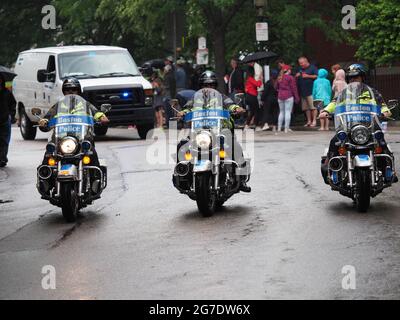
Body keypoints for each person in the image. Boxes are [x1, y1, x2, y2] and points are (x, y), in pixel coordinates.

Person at [319, 64, 397, 182]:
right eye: (351, 78)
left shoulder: (372, 92)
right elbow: (334, 103)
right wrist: (325, 111)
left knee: (381, 142)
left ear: (362, 78)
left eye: (356, 77)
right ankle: (330, 170)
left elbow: (382, 105)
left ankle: (388, 171)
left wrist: (386, 112)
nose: (353, 80)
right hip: (348, 126)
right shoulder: (344, 93)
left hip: (369, 126)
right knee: (335, 142)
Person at [177, 70, 250, 192]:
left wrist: (237, 109)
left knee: (234, 146)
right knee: (182, 145)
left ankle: (241, 178)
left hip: (221, 131)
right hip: (199, 131)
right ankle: (182, 175)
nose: (208, 88)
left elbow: (230, 105)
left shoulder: (222, 97)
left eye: (211, 85)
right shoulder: (195, 99)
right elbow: (187, 109)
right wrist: (181, 113)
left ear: (215, 86)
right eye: (205, 85)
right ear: (201, 86)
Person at [39, 78, 109, 167]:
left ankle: (96, 177)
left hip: (82, 137)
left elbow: (96, 113)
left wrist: (102, 117)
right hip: (60, 138)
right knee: (49, 153)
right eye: (67, 90)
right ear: (64, 92)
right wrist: (44, 122)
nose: (71, 92)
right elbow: (47, 118)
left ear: (78, 91)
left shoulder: (85, 104)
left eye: (74, 89)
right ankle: (44, 177)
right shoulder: (58, 105)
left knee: (91, 152)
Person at [296, 56, 318, 127]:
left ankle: (314, 121)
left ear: (306, 61)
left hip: (311, 91)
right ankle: (309, 121)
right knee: (306, 108)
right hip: (303, 92)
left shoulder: (313, 68)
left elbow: (317, 76)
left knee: (313, 107)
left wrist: (308, 76)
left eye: (302, 63)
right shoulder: (300, 69)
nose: (301, 64)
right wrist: (296, 76)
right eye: (300, 63)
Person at [276, 65, 300, 133]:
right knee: (287, 112)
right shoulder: (290, 77)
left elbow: (277, 87)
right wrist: (297, 97)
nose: (291, 71)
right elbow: (294, 88)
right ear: (288, 70)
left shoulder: (279, 77)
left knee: (281, 112)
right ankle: (286, 128)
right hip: (288, 96)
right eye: (290, 69)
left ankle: (279, 128)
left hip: (280, 96)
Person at [0, 73, 16, 167]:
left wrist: (11, 115)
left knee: (4, 141)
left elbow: (13, 104)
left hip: (5, 120)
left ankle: (2, 158)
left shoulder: (7, 93)